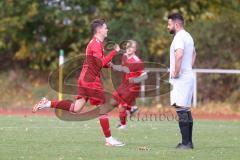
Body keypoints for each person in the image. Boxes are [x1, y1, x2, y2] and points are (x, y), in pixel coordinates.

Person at [32, 19, 125, 147]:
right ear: (99, 30)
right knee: (104, 106)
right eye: (105, 27)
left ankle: (47, 103)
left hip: (84, 79)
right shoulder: (95, 45)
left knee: (75, 108)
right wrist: (115, 51)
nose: (107, 29)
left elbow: (99, 63)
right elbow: (100, 63)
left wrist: (112, 66)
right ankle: (109, 139)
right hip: (91, 81)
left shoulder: (96, 44)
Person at [167, 13, 196, 149]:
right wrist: (188, 67)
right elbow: (194, 53)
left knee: (181, 109)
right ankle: (188, 142)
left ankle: (186, 143)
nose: (168, 27)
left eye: (169, 24)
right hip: (188, 75)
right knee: (185, 109)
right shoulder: (188, 36)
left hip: (181, 78)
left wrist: (178, 71)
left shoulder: (179, 37)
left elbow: (179, 55)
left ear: (176, 24)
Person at [111, 40, 147, 129]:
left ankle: (123, 125)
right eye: (127, 47)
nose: (129, 49)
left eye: (131, 47)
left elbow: (144, 76)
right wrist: (113, 66)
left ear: (135, 49)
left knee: (121, 106)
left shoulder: (137, 61)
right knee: (113, 102)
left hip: (133, 87)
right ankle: (131, 109)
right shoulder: (124, 56)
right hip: (124, 85)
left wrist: (134, 80)